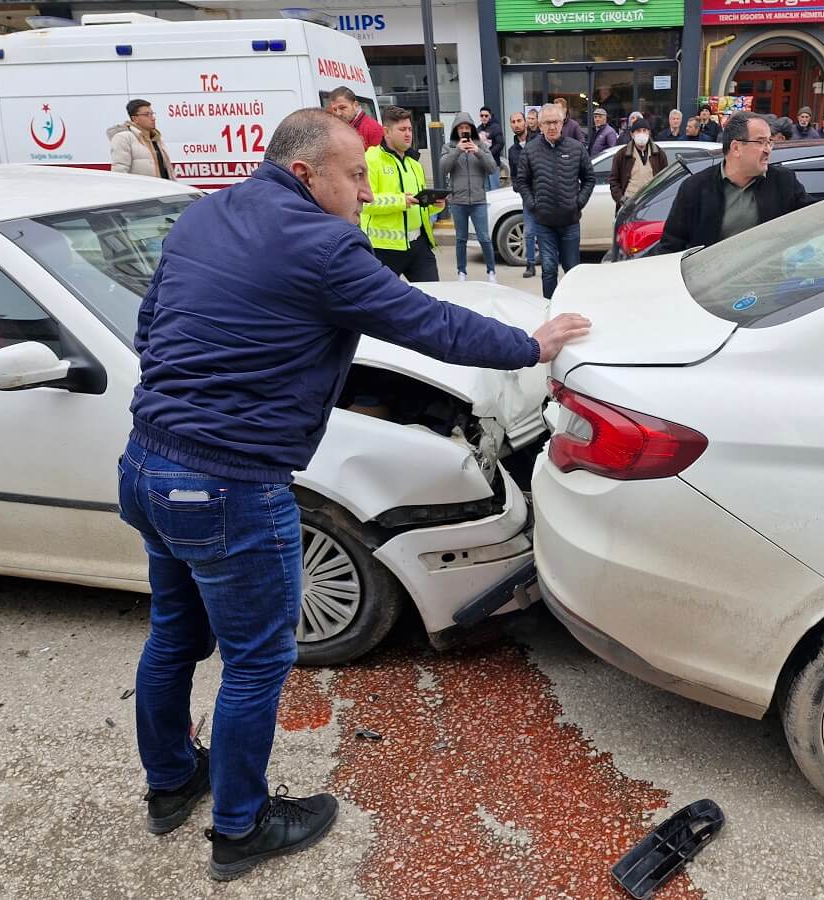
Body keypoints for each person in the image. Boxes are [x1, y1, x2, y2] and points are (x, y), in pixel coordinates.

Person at [119, 107, 590, 882]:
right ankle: (241, 826)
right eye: (354, 174)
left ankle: (172, 785)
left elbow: (151, 323)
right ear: (305, 175)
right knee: (256, 661)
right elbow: (424, 322)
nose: (366, 187)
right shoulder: (322, 243)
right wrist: (529, 345)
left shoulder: (206, 213)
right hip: (231, 486)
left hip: (145, 464)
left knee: (174, 634)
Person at [658, 111, 812, 255]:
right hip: (711, 281)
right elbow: (671, 246)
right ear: (736, 148)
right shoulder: (695, 188)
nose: (768, 150)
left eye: (769, 142)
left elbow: (815, 221)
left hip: (767, 280)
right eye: (760, 142)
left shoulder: (784, 182)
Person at [515, 103, 593, 300]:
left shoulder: (576, 148)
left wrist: (578, 202)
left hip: (570, 221)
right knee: (549, 269)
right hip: (544, 223)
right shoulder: (530, 151)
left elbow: (589, 178)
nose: (552, 127)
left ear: (562, 123)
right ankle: (548, 307)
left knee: (572, 269)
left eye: (556, 122)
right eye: (547, 123)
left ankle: (574, 305)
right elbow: (522, 182)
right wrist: (533, 204)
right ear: (540, 125)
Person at [362, 105, 444, 281]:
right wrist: (400, 201)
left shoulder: (414, 164)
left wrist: (434, 206)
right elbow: (365, 203)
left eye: (409, 129)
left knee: (433, 298)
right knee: (382, 304)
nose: (408, 134)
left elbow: (418, 206)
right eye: (402, 129)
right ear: (386, 131)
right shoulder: (371, 159)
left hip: (419, 245)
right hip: (383, 249)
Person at [441, 113, 498, 283]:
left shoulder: (480, 145)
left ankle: (491, 272)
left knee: (484, 238)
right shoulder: (449, 147)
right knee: (460, 238)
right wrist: (458, 150)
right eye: (461, 128)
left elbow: (492, 168)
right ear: (456, 130)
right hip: (458, 200)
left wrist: (478, 152)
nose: (464, 131)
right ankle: (462, 272)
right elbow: (443, 168)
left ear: (471, 129)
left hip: (478, 200)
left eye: (467, 128)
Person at [108, 99, 176, 180]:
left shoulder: (156, 138)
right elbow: (120, 172)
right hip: (142, 191)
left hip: (163, 190)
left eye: (152, 114)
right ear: (134, 118)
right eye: (147, 114)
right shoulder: (123, 138)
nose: (153, 118)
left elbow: (167, 171)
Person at [609, 118, 667, 210]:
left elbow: (665, 178)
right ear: (632, 134)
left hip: (652, 203)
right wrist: (621, 199)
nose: (642, 133)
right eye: (638, 131)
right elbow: (614, 180)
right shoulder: (622, 154)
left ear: (649, 133)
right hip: (628, 204)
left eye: (645, 130)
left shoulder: (659, 153)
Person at [507, 112, 538, 278]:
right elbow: (514, 175)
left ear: (526, 123)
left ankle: (550, 263)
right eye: (513, 122)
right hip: (527, 196)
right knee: (529, 232)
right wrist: (518, 188)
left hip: (544, 193)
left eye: (519, 120)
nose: (516, 124)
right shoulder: (512, 151)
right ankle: (530, 264)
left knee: (547, 231)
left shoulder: (538, 142)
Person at [477, 106, 506, 190]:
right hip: (482, 163)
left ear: (490, 116)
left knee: (494, 188)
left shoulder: (496, 127)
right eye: (481, 116)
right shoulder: (478, 128)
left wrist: (489, 154)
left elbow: (500, 143)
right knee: (485, 188)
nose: (484, 118)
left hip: (493, 162)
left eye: (486, 115)